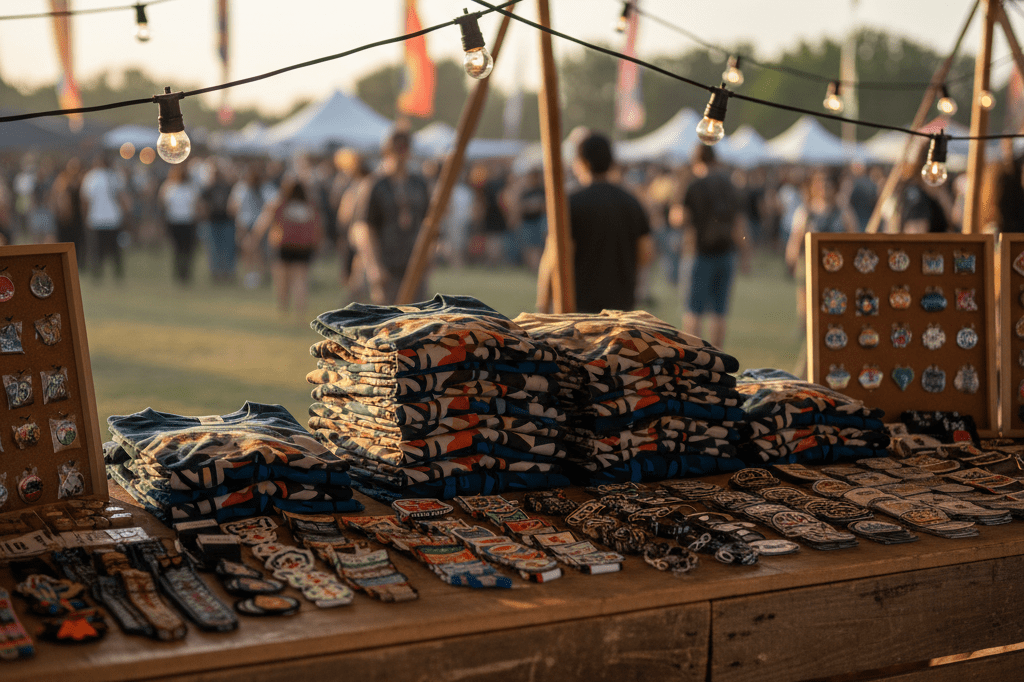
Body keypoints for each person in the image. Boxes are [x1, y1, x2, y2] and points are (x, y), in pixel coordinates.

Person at [556, 130, 652, 314]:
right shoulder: (631, 202)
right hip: (621, 304)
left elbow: (560, 255)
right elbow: (646, 253)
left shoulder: (572, 202)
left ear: (581, 163)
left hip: (579, 304)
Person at [674, 144, 751, 350]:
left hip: (698, 252)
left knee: (694, 311)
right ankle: (717, 358)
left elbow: (678, 218)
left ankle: (694, 360)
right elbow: (739, 225)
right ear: (715, 160)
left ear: (695, 161)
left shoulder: (692, 184)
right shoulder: (729, 184)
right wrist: (745, 254)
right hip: (726, 253)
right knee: (719, 312)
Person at [349, 129, 430, 304]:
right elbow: (364, 228)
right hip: (386, 262)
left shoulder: (418, 184)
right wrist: (374, 266)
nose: (401, 152)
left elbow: (428, 223)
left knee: (416, 319)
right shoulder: (375, 185)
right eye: (397, 147)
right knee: (390, 321)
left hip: (413, 261)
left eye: (405, 147)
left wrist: (428, 257)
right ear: (387, 150)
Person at [248, 176, 323, 317]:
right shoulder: (310, 206)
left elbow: (263, 223)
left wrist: (254, 238)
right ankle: (301, 309)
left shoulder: (278, 204)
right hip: (304, 247)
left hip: (284, 245)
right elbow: (318, 227)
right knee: (301, 279)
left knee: (282, 280)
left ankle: (283, 308)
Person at [80, 153, 129, 281]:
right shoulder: (114, 176)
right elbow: (121, 197)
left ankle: (97, 274)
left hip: (96, 218)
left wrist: (86, 216)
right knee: (115, 250)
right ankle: (117, 273)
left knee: (97, 250)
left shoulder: (91, 177)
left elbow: (85, 200)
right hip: (113, 218)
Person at [158, 163, 203, 285]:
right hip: (174, 222)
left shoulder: (191, 188)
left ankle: (186, 273)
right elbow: (162, 202)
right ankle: (179, 273)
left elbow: (197, 205)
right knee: (177, 250)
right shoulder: (169, 187)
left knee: (187, 250)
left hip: (188, 222)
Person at [203, 160, 237, 284]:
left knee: (228, 248)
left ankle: (227, 271)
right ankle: (216, 272)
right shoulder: (208, 188)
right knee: (214, 248)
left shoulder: (229, 187)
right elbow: (203, 204)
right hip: (213, 221)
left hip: (227, 221)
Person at [50, 157, 85, 264]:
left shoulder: (82, 180)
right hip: (64, 219)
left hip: (77, 217)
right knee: (63, 242)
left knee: (77, 242)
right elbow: (56, 198)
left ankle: (77, 262)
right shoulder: (62, 180)